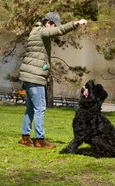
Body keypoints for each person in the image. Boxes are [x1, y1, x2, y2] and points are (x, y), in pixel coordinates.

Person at [18, 12, 87, 148]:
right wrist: (76, 23)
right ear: (49, 22)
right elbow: (59, 31)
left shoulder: (35, 30)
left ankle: (25, 138)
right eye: (54, 25)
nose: (54, 28)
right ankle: (40, 139)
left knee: (31, 108)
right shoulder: (42, 31)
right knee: (40, 107)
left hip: (29, 74)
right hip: (34, 75)